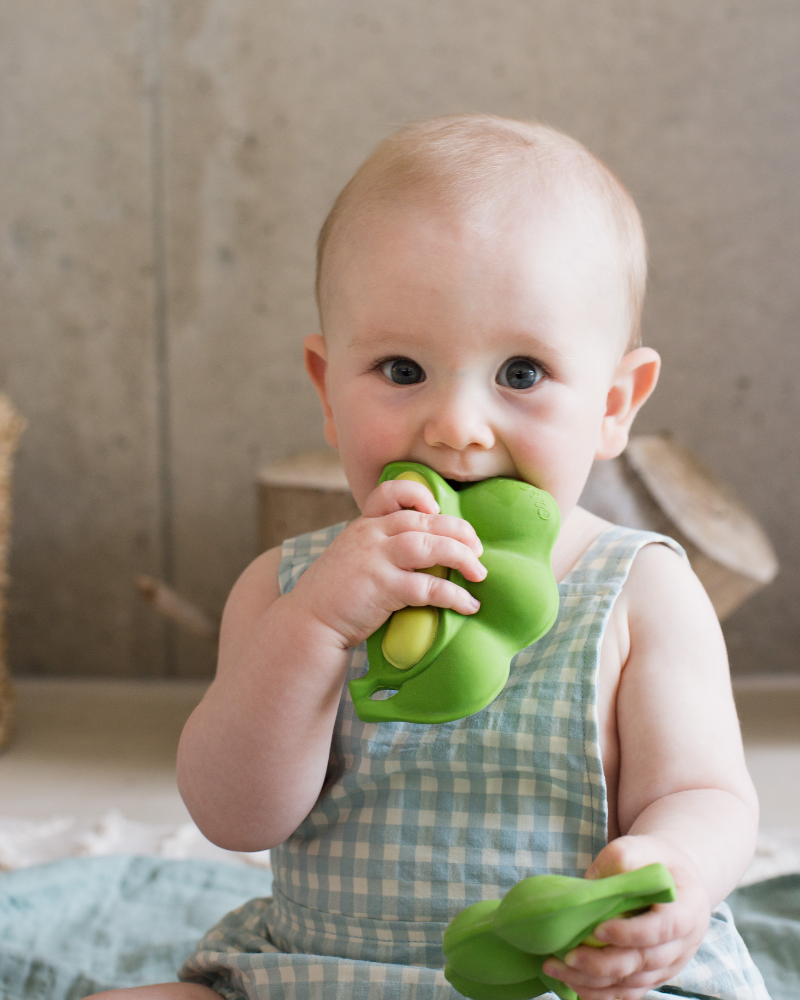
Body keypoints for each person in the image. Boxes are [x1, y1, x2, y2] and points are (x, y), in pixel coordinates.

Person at [94, 115, 770, 1000]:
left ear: (613, 403)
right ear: (327, 387)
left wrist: (668, 875)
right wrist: (319, 627)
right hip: (322, 974)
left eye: (521, 373)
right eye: (403, 369)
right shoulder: (284, 589)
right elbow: (232, 815)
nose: (456, 426)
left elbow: (710, 793)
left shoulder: (641, 590)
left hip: (562, 982)